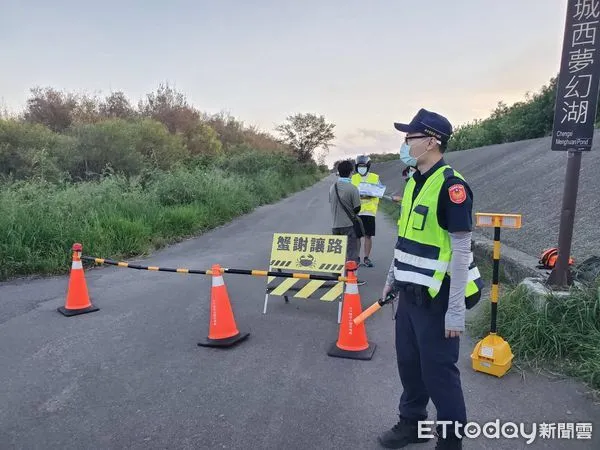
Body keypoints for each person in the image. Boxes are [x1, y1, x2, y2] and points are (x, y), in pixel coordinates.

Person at [377, 108, 483, 450]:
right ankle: (411, 424)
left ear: (432, 142)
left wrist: (455, 311)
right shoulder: (413, 181)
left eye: (411, 137)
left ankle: (450, 444)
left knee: (439, 376)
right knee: (410, 366)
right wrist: (392, 277)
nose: (405, 143)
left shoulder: (452, 186)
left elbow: (462, 248)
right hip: (408, 296)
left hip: (438, 299)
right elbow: (405, 238)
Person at [329, 160, 365, 285]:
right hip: (349, 225)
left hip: (335, 225)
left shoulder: (332, 187)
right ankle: (351, 279)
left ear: (338, 172)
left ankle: (336, 277)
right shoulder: (353, 188)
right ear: (351, 172)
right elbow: (357, 208)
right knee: (352, 253)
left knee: (337, 252)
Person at [351, 155, 380, 268]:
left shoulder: (375, 177)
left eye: (363, 166)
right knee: (357, 236)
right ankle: (356, 257)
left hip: (369, 212)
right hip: (357, 211)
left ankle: (366, 258)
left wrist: (369, 194)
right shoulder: (353, 178)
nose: (361, 168)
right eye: (359, 166)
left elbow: (379, 191)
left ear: (368, 166)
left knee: (368, 236)